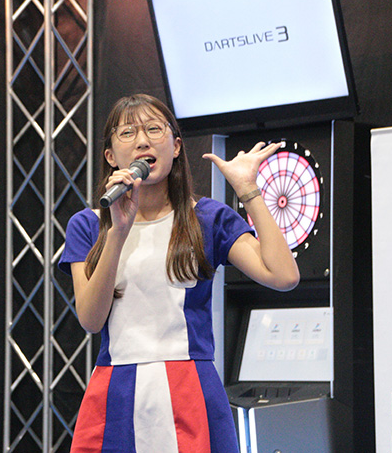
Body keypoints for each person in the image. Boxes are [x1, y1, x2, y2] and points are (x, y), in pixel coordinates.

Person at [58, 94, 299, 452]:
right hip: (116, 391)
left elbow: (283, 276)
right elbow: (91, 320)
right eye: (128, 133)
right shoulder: (89, 225)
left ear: (175, 146)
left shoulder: (207, 218)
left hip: (189, 390)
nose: (142, 141)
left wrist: (248, 190)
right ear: (110, 156)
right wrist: (118, 231)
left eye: (154, 129)